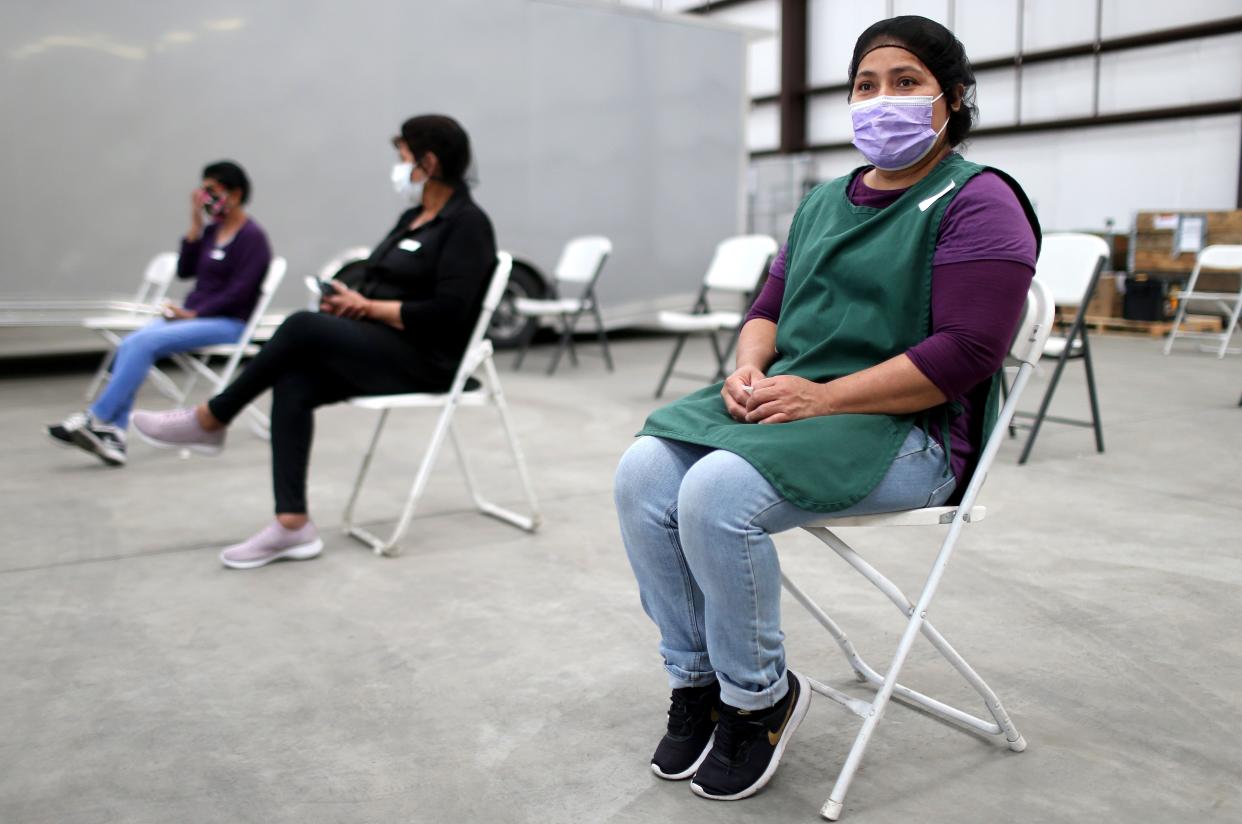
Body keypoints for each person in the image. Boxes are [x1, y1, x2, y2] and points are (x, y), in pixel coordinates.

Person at [613, 16, 1040, 802]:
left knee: (716, 493)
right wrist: (747, 369)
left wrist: (822, 396)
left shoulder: (980, 203)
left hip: (908, 431)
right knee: (643, 472)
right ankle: (697, 678)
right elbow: (767, 309)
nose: (883, 100)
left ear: (954, 97)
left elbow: (968, 354)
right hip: (799, 408)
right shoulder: (820, 203)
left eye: (906, 82)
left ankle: (758, 698)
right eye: (866, 85)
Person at [130, 115, 497, 570]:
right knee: (295, 379)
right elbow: (377, 277)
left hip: (429, 359)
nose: (398, 166)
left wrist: (366, 308)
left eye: (402, 157)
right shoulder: (413, 217)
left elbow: (448, 314)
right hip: (383, 344)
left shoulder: (468, 224)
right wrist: (349, 300)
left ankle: (211, 418)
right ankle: (292, 526)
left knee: (301, 327)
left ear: (429, 161)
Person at [47, 161, 271, 466]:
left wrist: (195, 314)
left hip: (227, 322)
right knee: (130, 343)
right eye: (202, 191)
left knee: (143, 343)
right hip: (195, 315)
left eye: (212, 191)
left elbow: (241, 292)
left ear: (235, 193)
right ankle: (113, 433)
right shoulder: (212, 231)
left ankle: (98, 419)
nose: (205, 198)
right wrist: (194, 225)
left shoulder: (252, 238)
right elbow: (185, 270)